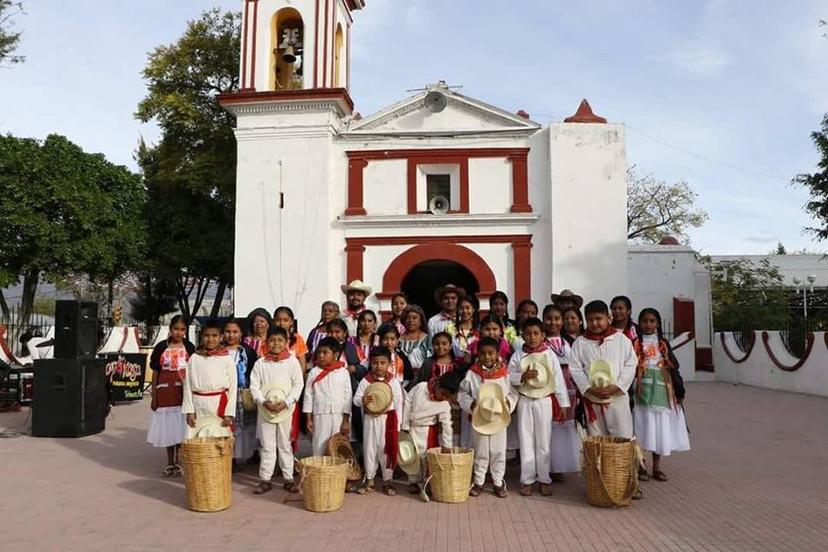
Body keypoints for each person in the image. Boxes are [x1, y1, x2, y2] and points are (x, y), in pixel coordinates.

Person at [508, 317, 570, 496]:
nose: (532, 337)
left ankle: (544, 478)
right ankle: (527, 480)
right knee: (526, 440)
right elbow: (508, 376)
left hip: (544, 399)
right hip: (525, 399)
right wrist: (522, 376)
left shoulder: (549, 354)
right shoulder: (518, 355)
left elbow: (558, 379)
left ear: (543, 335)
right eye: (528, 334)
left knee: (543, 441)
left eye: (536, 333)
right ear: (522, 335)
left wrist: (563, 403)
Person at [633, 308, 689, 482]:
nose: (648, 324)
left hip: (661, 391)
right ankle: (641, 465)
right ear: (639, 323)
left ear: (657, 324)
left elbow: (672, 367)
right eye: (644, 321)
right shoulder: (635, 343)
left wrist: (679, 390)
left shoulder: (663, 343)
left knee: (658, 429)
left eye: (652, 321)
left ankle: (656, 467)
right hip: (641, 391)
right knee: (641, 427)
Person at [458, 337, 518, 498]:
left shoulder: (504, 373)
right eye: (483, 353)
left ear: (498, 354)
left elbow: (513, 394)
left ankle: (498, 482)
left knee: (498, 450)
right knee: (481, 450)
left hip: (498, 417)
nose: (487, 357)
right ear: (478, 354)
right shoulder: (472, 373)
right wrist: (471, 404)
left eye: (491, 353)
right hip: (480, 417)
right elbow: (462, 393)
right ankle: (479, 481)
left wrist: (506, 405)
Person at [569, 300, 637, 439]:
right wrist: (587, 388)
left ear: (608, 317)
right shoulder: (580, 343)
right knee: (596, 439)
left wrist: (618, 386)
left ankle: (620, 461)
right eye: (590, 320)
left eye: (599, 319)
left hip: (617, 398)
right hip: (593, 398)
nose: (595, 323)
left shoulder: (621, 340)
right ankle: (599, 462)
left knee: (622, 436)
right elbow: (575, 368)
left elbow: (631, 364)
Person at [249, 326, 304, 495]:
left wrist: (287, 402)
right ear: (266, 342)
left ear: (287, 342)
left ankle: (288, 478)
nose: (276, 344)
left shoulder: (292, 362)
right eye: (272, 340)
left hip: (285, 410)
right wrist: (262, 401)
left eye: (280, 340)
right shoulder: (260, 363)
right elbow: (254, 385)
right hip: (266, 410)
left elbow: (298, 384)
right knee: (267, 445)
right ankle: (265, 479)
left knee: (285, 444)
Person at [147, 315, 195, 477]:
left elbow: (194, 371)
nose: (179, 332)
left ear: (186, 331)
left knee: (181, 428)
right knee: (169, 429)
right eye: (176, 329)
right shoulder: (161, 347)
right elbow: (155, 372)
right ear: (170, 329)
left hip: (183, 394)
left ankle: (179, 462)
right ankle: (169, 463)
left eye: (182, 329)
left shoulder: (190, 347)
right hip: (165, 393)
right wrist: (154, 396)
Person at [353, 346, 404, 496]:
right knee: (369, 448)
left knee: (386, 449)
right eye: (375, 363)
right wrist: (362, 400)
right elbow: (356, 400)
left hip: (388, 420)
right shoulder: (366, 381)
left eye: (383, 363)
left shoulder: (393, 381)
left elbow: (399, 402)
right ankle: (369, 480)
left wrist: (398, 425)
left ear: (389, 364)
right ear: (370, 363)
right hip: (370, 420)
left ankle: (388, 481)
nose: (379, 366)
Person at [401, 370, 461, 494]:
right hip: (411, 428)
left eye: (448, 396)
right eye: (443, 393)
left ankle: (427, 482)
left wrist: (446, 445)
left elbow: (446, 425)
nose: (444, 397)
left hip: (428, 430)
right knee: (411, 456)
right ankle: (413, 481)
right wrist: (405, 424)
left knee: (426, 457)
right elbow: (407, 401)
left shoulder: (445, 404)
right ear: (438, 385)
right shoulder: (421, 387)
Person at [542, 305, 581, 480]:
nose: (553, 322)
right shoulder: (541, 342)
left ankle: (561, 465)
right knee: (548, 429)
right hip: (548, 391)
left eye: (557, 319)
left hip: (569, 390)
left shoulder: (570, 343)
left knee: (564, 428)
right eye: (549, 318)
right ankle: (547, 467)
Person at [182, 320, 237, 438]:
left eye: (214, 336)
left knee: (219, 438)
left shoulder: (227, 359)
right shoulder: (194, 358)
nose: (210, 339)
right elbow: (187, 386)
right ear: (201, 337)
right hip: (198, 404)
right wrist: (189, 411)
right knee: (198, 438)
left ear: (221, 337)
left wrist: (229, 413)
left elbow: (233, 387)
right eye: (207, 335)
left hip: (219, 403)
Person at [302, 337, 352, 457]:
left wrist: (346, 420)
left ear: (335, 354)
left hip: (338, 414)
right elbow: (308, 395)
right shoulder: (314, 372)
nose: (321, 356)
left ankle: (336, 474)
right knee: (319, 445)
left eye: (325, 352)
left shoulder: (343, 372)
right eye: (319, 352)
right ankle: (320, 473)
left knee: (338, 447)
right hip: (320, 414)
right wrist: (308, 418)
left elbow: (347, 396)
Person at [222, 318, 259, 467]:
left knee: (246, 426)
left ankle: (253, 455)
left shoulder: (247, 352)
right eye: (228, 331)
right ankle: (231, 459)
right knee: (229, 426)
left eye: (235, 332)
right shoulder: (219, 351)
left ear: (241, 333)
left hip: (243, 393)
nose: (231, 335)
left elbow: (253, 372)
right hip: (224, 394)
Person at [376, 323, 414, 387]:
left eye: (392, 339)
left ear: (397, 340)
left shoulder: (402, 356)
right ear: (380, 340)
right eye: (385, 339)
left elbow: (408, 377)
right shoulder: (375, 355)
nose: (389, 342)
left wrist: (400, 388)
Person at [398, 305, 431, 378]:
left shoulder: (427, 339)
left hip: (422, 377)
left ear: (421, 321)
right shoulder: (397, 340)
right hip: (401, 377)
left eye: (414, 318)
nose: (411, 320)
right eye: (408, 318)